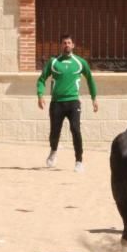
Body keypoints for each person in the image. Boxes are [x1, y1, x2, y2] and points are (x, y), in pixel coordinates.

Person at [37, 34, 98, 171]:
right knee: (54, 132)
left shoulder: (80, 62)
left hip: (73, 102)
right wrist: (40, 95)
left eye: (69, 42)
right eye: (64, 43)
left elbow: (90, 79)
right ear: (61, 45)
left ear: (73, 45)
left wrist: (94, 98)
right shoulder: (53, 62)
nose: (67, 45)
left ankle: (79, 161)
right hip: (57, 103)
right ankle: (53, 151)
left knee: (76, 130)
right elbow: (42, 79)